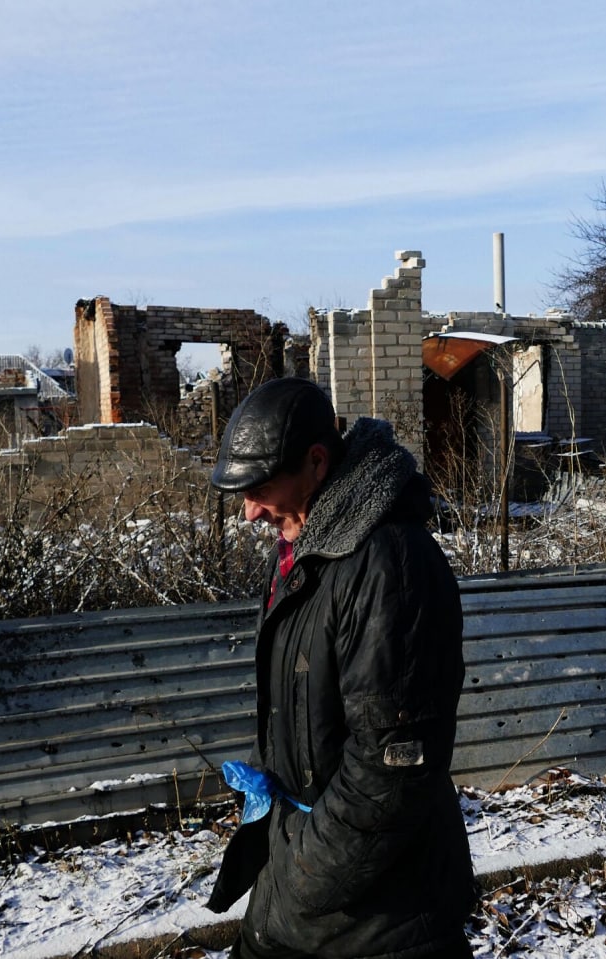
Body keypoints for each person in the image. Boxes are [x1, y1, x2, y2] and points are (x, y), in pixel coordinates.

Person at [205, 376, 475, 959]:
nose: (249, 512)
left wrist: (302, 880)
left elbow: (392, 768)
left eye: (259, 489)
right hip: (310, 882)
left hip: (378, 917)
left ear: (318, 463)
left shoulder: (388, 567)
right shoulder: (308, 552)